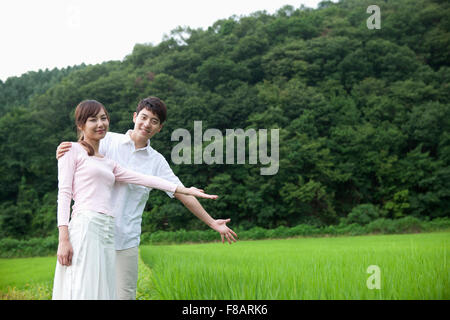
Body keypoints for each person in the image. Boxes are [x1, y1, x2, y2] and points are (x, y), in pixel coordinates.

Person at [56, 96, 238, 300]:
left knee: (124, 296)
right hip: (92, 233)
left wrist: (212, 222)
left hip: (126, 239)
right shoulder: (107, 139)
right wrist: (67, 148)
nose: (147, 124)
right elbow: (80, 151)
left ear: (160, 127)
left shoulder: (157, 162)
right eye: (144, 117)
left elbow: (176, 191)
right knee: (88, 292)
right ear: (135, 117)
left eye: (154, 121)